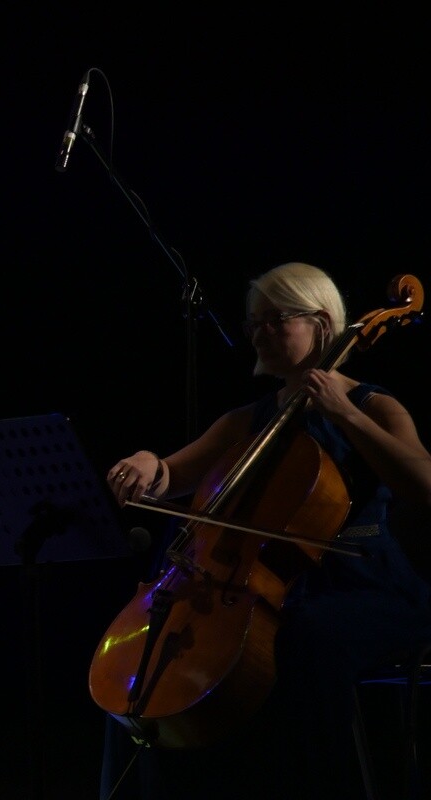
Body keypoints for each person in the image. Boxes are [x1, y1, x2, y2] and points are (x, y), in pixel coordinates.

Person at [98, 262, 431, 799]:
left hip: (367, 586)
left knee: (304, 640)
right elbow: (171, 475)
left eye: (276, 320)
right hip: (279, 592)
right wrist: (146, 462)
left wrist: (345, 416)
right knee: (151, 659)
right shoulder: (247, 421)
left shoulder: (372, 404)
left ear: (321, 323)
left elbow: (424, 484)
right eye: (254, 323)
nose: (259, 334)